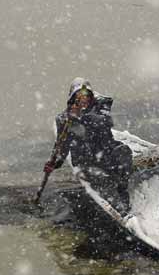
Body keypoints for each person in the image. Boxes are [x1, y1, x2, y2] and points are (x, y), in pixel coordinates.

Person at [43, 77, 134, 211]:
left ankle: (122, 189)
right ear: (74, 97)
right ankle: (111, 199)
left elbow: (105, 122)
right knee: (99, 177)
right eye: (79, 95)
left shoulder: (101, 105)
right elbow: (62, 144)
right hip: (84, 157)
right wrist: (55, 162)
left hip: (105, 149)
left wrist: (82, 117)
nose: (83, 99)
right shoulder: (64, 118)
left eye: (86, 95)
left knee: (124, 152)